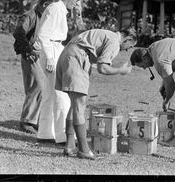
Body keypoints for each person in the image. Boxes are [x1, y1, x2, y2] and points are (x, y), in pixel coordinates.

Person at [55, 27, 138, 159]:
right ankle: (83, 150)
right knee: (79, 105)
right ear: (127, 39)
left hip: (67, 55)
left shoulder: (106, 34)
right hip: (77, 58)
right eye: (129, 46)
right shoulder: (114, 41)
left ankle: (70, 146)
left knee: (74, 104)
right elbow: (102, 68)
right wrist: (120, 70)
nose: (126, 49)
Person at [33, 0, 83, 144]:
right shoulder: (55, 8)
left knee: (49, 94)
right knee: (62, 94)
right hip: (51, 51)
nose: (77, 3)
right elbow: (43, 35)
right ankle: (63, 136)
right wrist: (48, 57)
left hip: (56, 49)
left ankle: (45, 133)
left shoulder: (60, 10)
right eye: (77, 0)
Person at [13, 0, 54, 134]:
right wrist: (28, 50)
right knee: (38, 84)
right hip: (30, 55)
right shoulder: (29, 16)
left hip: (41, 55)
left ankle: (33, 120)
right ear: (45, 4)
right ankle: (26, 121)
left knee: (38, 86)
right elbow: (19, 33)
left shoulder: (44, 17)